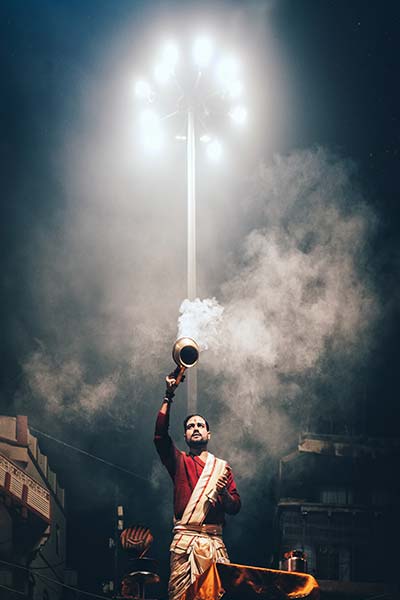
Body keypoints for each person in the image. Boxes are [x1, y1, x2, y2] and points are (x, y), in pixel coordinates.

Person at [154, 368, 241, 600]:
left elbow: (235, 507)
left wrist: (222, 491)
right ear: (185, 436)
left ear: (208, 434)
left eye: (200, 425)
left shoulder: (222, 468)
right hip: (185, 544)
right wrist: (168, 396)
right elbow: (160, 437)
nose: (195, 428)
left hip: (214, 544)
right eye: (190, 426)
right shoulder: (179, 461)